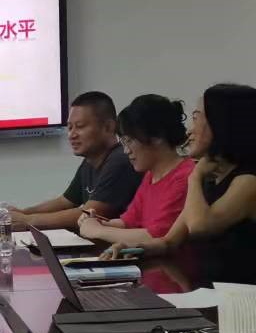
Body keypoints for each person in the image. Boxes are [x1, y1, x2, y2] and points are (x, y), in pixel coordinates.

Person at [95, 84, 256, 282]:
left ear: (221, 125)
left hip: (239, 296)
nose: (190, 130)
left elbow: (199, 227)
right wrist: (132, 248)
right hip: (206, 290)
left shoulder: (248, 182)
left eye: (196, 118)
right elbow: (169, 242)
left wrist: (195, 176)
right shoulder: (210, 179)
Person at [11, 91, 141, 230]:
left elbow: (89, 213)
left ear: (108, 127)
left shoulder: (120, 161)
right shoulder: (90, 161)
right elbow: (65, 202)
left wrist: (27, 220)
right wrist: (23, 213)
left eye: (80, 126)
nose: (72, 135)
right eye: (70, 127)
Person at [78, 94, 194, 247]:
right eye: (124, 142)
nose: (126, 150)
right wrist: (98, 222)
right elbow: (128, 222)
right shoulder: (151, 175)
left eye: (129, 141)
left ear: (157, 137)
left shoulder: (185, 177)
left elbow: (155, 237)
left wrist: (98, 230)